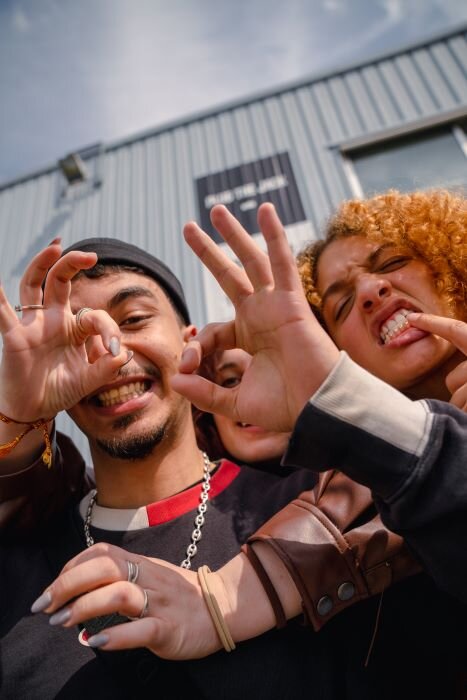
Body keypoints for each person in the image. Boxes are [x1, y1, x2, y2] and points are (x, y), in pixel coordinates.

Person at [36, 195, 467, 695]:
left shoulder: (318, 501)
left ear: (189, 341)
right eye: (341, 303)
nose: (107, 349)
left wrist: (227, 597)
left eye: (133, 319)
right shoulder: (32, 531)